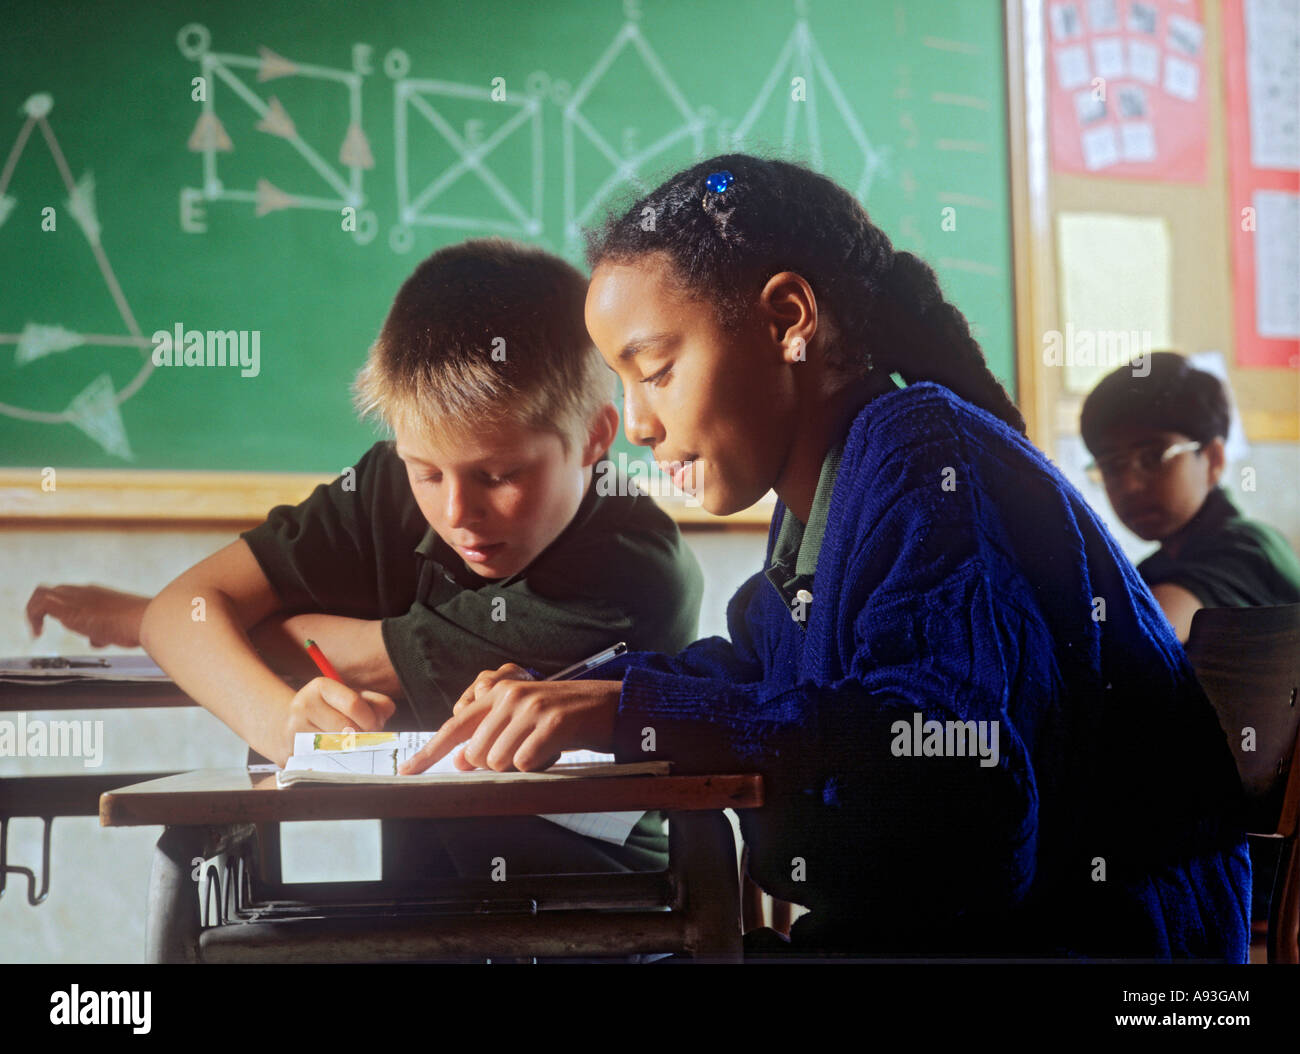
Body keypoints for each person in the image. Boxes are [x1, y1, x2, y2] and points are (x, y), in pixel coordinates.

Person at [403, 155, 1251, 960]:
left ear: (787, 321)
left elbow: (956, 758)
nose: (636, 423)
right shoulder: (829, 489)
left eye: (655, 370)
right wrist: (593, 696)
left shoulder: (920, 450)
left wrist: (626, 714)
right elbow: (769, 680)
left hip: (1099, 944)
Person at [111, 238, 701, 876]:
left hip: (617, 910)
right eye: (426, 472)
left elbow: (216, 623)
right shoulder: (388, 485)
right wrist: (281, 723)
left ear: (593, 437)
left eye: (499, 476)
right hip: (424, 909)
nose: (456, 514)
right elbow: (177, 613)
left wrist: (257, 628)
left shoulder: (637, 572)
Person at [1081, 352, 1300, 643]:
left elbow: (1140, 640)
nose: (1129, 485)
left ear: (1213, 459)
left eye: (1153, 457)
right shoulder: (1156, 567)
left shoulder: (1248, 549)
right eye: (1111, 465)